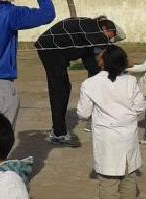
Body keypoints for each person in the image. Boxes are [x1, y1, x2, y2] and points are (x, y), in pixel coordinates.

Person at [76, 45, 146, 199]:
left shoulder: (90, 83)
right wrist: (126, 115)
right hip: (127, 135)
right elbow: (140, 107)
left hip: (106, 137)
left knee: (108, 180)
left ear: (103, 62)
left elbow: (83, 113)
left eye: (100, 57)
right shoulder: (130, 81)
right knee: (128, 177)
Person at [33, 15, 123, 147]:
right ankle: (59, 133)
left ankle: (58, 131)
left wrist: (108, 77)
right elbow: (102, 45)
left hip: (57, 52)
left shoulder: (88, 37)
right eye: (110, 35)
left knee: (63, 88)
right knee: (59, 90)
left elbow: (93, 65)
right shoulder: (89, 25)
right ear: (104, 28)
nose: (110, 39)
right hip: (50, 50)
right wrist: (118, 60)